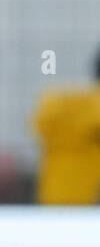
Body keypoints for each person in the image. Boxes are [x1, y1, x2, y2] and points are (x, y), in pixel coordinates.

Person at [33, 47, 100, 204]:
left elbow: (38, 125)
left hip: (55, 194)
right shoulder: (94, 107)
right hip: (89, 196)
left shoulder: (54, 102)